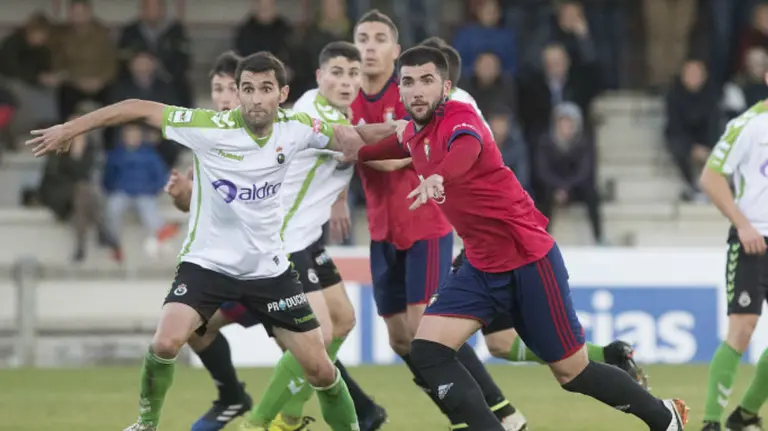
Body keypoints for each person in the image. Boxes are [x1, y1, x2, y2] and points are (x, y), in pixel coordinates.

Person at [27, 51, 377, 431]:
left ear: (282, 93)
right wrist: (69, 129)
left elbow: (356, 137)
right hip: (207, 265)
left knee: (321, 370)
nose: (256, 98)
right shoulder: (208, 126)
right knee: (165, 343)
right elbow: (135, 106)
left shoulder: (297, 128)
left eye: (265, 89)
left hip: (269, 270)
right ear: (238, 93)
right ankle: (146, 423)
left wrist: (408, 131)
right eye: (248, 89)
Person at [353, 45, 689, 431]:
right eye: (408, 82)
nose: (416, 90)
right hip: (480, 265)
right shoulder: (413, 133)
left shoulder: (462, 115)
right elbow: (366, 148)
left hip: (528, 258)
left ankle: (664, 416)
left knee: (572, 373)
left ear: (445, 87)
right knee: (428, 349)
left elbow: (466, 149)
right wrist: (330, 143)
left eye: (426, 81)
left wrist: (439, 176)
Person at [166, 46, 386, 431]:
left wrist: (337, 200)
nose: (347, 81)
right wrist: (422, 138)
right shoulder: (315, 114)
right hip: (284, 242)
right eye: (338, 72)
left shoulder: (331, 114)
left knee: (343, 320)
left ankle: (281, 409)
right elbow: (374, 155)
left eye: (354, 74)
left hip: (304, 239)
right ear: (319, 77)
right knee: (318, 333)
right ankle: (262, 419)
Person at [419, 36, 647, 385]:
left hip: (497, 244)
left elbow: (459, 159)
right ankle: (609, 356)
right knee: (499, 343)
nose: (412, 89)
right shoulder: (449, 113)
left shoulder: (456, 111)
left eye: (422, 79)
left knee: (435, 338)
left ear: (442, 80)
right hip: (484, 241)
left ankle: (487, 416)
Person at [351, 10, 526, 431]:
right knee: (400, 339)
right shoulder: (347, 95)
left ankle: (495, 414)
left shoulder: (414, 93)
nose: (369, 47)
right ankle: (470, 414)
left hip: (425, 226)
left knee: (425, 331)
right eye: (362, 38)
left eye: (379, 39)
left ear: (395, 52)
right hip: (382, 230)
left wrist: (357, 140)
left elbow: (412, 147)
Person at [699, 97, 768, 430]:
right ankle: (711, 421)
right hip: (753, 243)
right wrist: (743, 224)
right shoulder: (747, 126)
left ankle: (745, 415)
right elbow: (711, 178)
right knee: (743, 329)